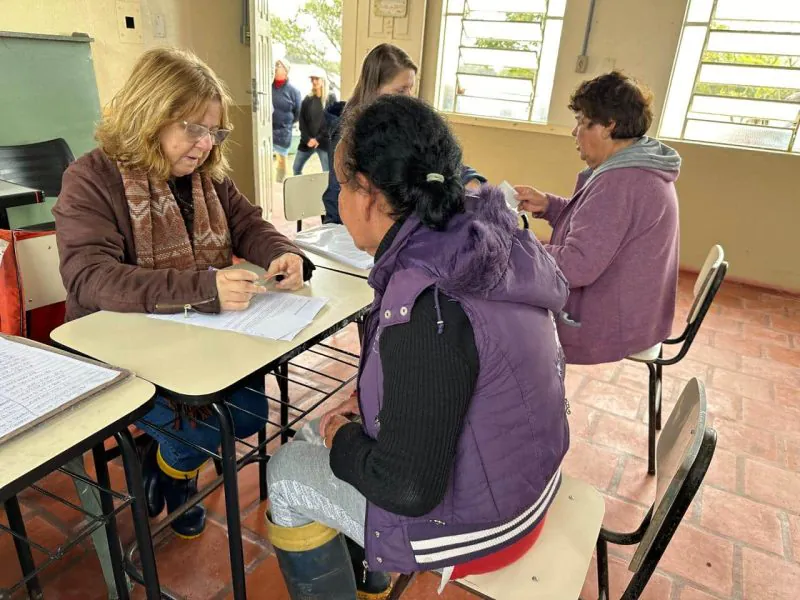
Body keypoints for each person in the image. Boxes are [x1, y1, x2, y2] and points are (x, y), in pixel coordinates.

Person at [265, 95, 570, 599]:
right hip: (528, 480)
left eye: (340, 185)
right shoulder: (478, 241)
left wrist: (342, 432)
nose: (337, 200)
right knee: (318, 437)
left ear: (366, 193)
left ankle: (371, 573)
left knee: (288, 470)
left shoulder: (428, 302)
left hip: (488, 528)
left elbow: (408, 488)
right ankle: (372, 579)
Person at [54, 47, 313, 539]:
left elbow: (248, 224)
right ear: (148, 115)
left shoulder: (207, 175)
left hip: (198, 333)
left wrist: (282, 251)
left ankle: (167, 466)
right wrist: (204, 287)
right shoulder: (91, 179)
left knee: (249, 416)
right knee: (203, 429)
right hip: (120, 344)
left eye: (214, 131)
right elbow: (91, 278)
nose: (205, 144)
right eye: (192, 128)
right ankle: (179, 471)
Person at [514, 70, 681, 365]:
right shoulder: (641, 165)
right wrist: (548, 205)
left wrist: (515, 244)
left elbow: (576, 266)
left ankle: (527, 405)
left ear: (607, 126)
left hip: (612, 325)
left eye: (580, 121)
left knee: (502, 319)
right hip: (640, 315)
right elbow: (599, 225)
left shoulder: (621, 182)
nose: (574, 132)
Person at [321, 43, 485, 224]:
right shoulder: (347, 135)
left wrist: (469, 179)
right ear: (375, 87)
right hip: (353, 231)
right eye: (400, 90)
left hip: (399, 227)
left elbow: (439, 161)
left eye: (410, 88)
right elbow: (339, 197)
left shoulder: (407, 122)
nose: (409, 97)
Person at [293, 68, 337, 175]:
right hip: (307, 141)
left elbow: (331, 121)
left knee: (327, 174)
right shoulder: (307, 99)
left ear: (323, 80)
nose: (314, 81)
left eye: (316, 79)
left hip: (323, 141)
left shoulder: (331, 98)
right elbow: (302, 122)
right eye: (312, 79)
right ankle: (301, 189)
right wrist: (307, 139)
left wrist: (318, 139)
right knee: (296, 168)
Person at [272, 58, 302, 183]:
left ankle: (279, 184)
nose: (275, 67)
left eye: (279, 65)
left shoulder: (293, 91)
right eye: (275, 65)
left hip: (283, 133)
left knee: (281, 162)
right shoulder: (267, 87)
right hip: (267, 132)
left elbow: (297, 113)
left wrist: (286, 122)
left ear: (286, 70)